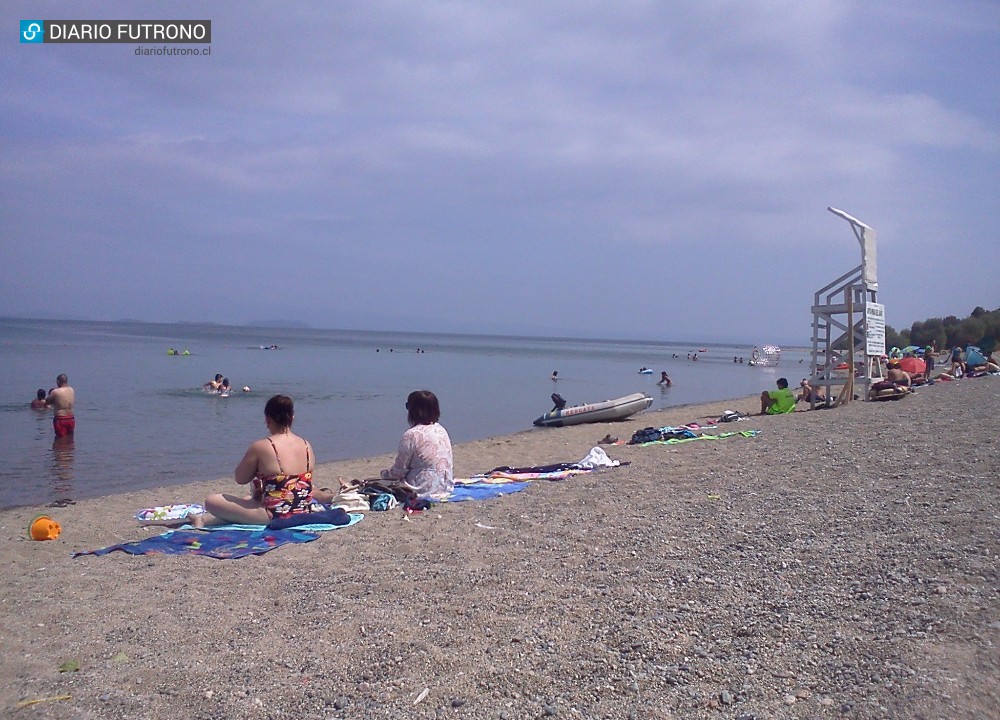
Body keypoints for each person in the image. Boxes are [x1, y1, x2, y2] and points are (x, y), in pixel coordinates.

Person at [194, 395, 324, 527]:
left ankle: (203, 520)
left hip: (275, 514)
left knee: (211, 501)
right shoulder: (306, 444)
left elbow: (240, 478)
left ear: (267, 419)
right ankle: (204, 520)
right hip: (303, 511)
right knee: (247, 500)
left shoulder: (262, 446)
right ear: (292, 418)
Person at [380, 390, 454, 500]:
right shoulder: (441, 429)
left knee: (383, 484)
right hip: (445, 486)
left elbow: (399, 471)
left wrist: (385, 475)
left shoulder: (412, 435)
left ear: (415, 411)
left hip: (423, 489)